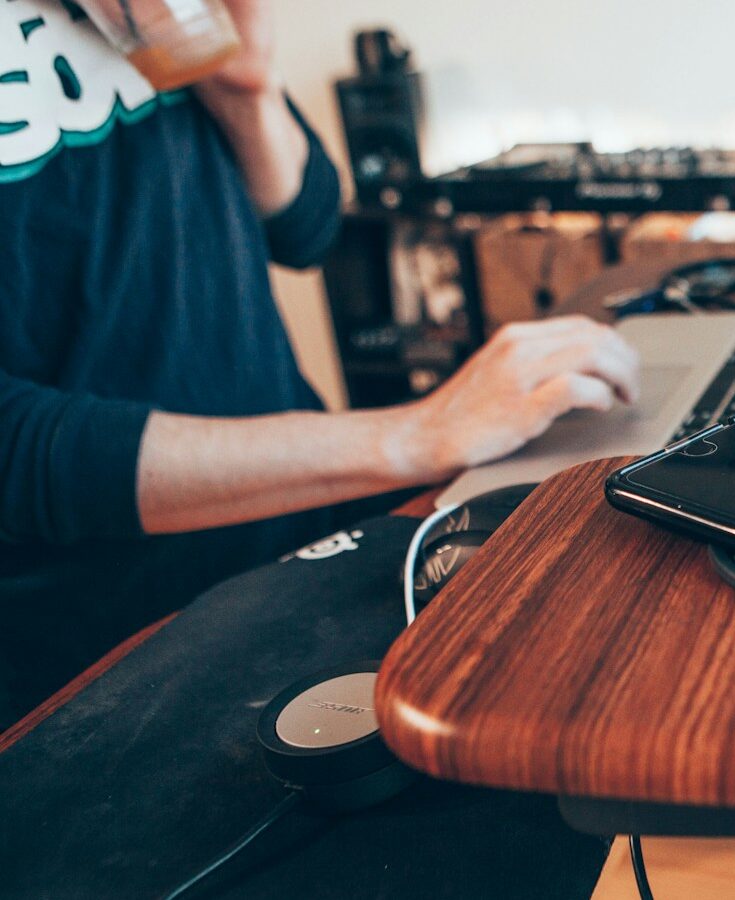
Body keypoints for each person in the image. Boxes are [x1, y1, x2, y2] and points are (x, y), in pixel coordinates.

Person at [0, 0, 641, 728]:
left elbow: (306, 225)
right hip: (103, 650)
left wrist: (247, 90)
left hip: (299, 540)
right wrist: (412, 436)